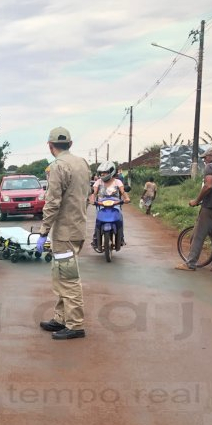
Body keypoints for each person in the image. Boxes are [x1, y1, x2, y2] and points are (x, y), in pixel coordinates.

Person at [37, 126, 91, 340]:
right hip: (77, 229)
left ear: (50, 146)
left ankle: (75, 324)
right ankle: (61, 318)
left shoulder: (57, 167)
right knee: (60, 276)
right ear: (70, 144)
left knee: (68, 279)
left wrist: (43, 231)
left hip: (64, 233)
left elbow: (52, 203)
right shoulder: (82, 163)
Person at [175, 147, 212, 274]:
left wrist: (196, 200)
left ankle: (190, 263)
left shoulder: (210, 167)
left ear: (211, 157)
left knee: (198, 235)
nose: (204, 160)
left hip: (210, 207)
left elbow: (208, 185)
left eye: (205, 157)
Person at [89, 161, 130, 249]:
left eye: (105, 172)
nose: (103, 174)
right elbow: (94, 193)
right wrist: (92, 199)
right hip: (101, 204)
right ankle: (95, 239)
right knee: (98, 222)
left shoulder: (117, 182)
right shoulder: (98, 182)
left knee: (120, 219)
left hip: (115, 204)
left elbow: (123, 191)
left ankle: (121, 237)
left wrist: (126, 198)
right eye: (101, 173)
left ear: (111, 171)